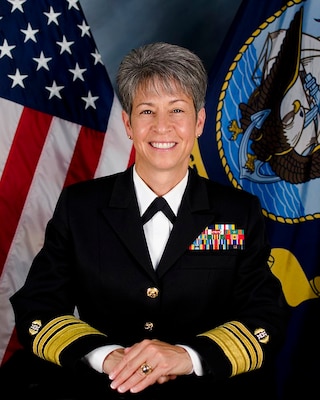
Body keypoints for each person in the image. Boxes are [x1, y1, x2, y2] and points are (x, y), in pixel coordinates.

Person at [0, 42, 288, 399]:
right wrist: (109, 358)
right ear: (128, 124)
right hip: (103, 390)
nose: (162, 127)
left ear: (198, 122)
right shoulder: (81, 207)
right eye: (147, 111)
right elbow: (38, 306)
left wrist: (186, 357)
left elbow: (266, 316)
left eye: (177, 110)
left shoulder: (237, 213)